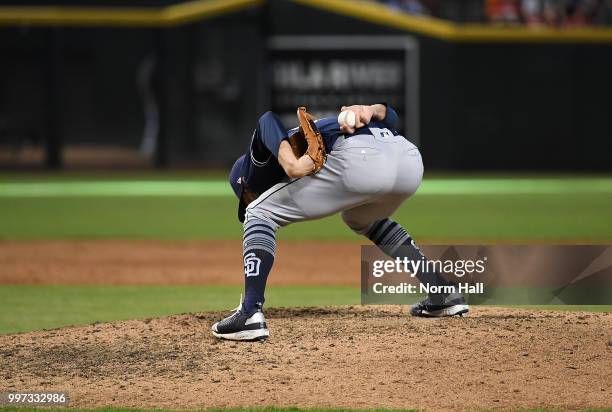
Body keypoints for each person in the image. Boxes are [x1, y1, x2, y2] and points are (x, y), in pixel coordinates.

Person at [212, 104, 469, 341]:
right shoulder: (323, 129)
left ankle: (249, 313)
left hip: (361, 157)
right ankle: (442, 292)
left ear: (244, 183)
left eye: (243, 195)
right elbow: (391, 116)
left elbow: (266, 119)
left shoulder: (254, 167)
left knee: (260, 212)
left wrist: (291, 165)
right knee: (361, 218)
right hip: (409, 160)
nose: (245, 199)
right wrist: (373, 109)